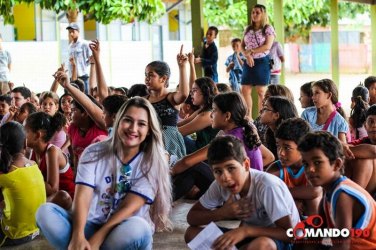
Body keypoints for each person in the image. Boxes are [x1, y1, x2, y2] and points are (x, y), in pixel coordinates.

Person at [36, 97, 172, 250]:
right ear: (118, 121)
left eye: (141, 124)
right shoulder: (94, 152)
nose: (133, 129)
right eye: (128, 120)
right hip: (91, 225)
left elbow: (128, 208)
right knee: (44, 212)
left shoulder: (152, 161)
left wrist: (97, 239)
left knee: (139, 227)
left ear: (148, 131)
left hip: (124, 230)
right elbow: (82, 196)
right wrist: (78, 236)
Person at [185, 135, 300, 250]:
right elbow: (192, 217)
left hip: (280, 241)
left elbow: (290, 234)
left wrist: (246, 231)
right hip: (248, 235)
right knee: (192, 234)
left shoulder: (267, 186)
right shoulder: (220, 185)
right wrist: (222, 213)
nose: (225, 177)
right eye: (218, 171)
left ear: (246, 165)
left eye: (231, 168)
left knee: (262, 245)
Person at [172, 92, 274, 201]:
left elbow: (187, 162)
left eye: (214, 110)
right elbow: (269, 157)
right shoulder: (245, 131)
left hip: (241, 194)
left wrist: (169, 171)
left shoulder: (230, 139)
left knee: (194, 167)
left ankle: (161, 201)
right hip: (248, 190)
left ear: (227, 116)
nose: (211, 115)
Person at [298, 131, 376, 250]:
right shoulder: (327, 196)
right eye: (306, 164)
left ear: (336, 164)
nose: (310, 169)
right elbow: (316, 238)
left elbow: (341, 246)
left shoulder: (343, 195)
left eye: (317, 162)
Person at [0, 122, 46, 247]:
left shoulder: (6, 174)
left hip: (14, 235)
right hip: (36, 230)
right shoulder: (34, 165)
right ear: (25, 143)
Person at [266, 118, 322, 216]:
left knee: (313, 199)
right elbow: (264, 188)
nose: (281, 153)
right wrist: (290, 201)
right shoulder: (276, 168)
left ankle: (314, 229)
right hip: (288, 217)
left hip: (312, 214)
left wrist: (286, 194)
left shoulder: (312, 166)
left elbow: (315, 191)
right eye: (278, 146)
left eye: (287, 148)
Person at [145, 47, 189, 159]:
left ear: (163, 78)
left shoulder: (171, 97)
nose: (146, 78)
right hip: (150, 142)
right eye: (146, 75)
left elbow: (183, 94)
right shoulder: (144, 100)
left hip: (170, 143)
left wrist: (182, 67)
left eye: (151, 75)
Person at [26, 112, 75, 210]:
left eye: (26, 131)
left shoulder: (52, 151)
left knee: (62, 197)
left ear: (37, 135)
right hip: (47, 200)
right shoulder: (31, 152)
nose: (23, 135)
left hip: (66, 202)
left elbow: (53, 189)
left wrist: (27, 174)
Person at [241, 4, 275, 117]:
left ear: (263, 14)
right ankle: (248, 116)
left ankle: (262, 117)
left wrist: (251, 51)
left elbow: (267, 46)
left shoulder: (268, 28)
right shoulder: (247, 28)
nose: (254, 14)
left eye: (257, 12)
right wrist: (246, 54)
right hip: (248, 61)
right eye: (253, 12)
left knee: (261, 91)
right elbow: (241, 46)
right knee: (245, 89)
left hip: (261, 62)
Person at [301, 79, 349, 143]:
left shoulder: (340, 122)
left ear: (329, 95)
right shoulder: (307, 114)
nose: (312, 97)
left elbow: (342, 149)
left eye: (317, 93)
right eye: (313, 94)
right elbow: (300, 138)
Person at [260, 96, 298, 160]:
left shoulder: (290, 138)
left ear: (276, 115)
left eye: (265, 108)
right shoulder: (269, 133)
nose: (261, 111)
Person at [66, 23, 92, 94]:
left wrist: (83, 67)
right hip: (72, 77)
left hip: (82, 76)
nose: (71, 34)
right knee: (73, 97)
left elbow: (91, 58)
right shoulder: (70, 46)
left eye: (73, 31)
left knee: (85, 96)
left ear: (78, 31)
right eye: (69, 32)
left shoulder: (85, 44)